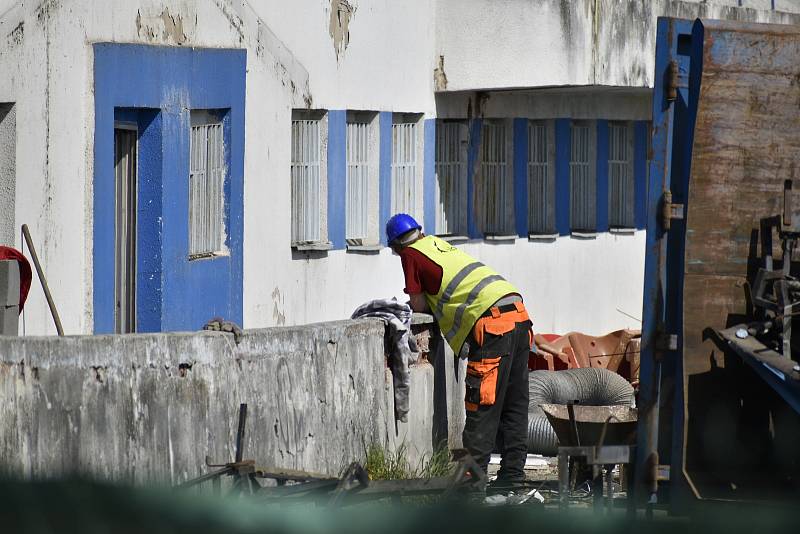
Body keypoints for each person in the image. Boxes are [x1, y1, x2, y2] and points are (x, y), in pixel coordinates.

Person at [386, 213, 532, 487]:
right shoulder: (436, 245)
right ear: (420, 231)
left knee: (482, 406)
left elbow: (417, 306)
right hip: (519, 315)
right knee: (514, 406)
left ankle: (471, 487)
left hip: (492, 325)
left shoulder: (411, 254)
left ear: (396, 246)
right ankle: (513, 478)